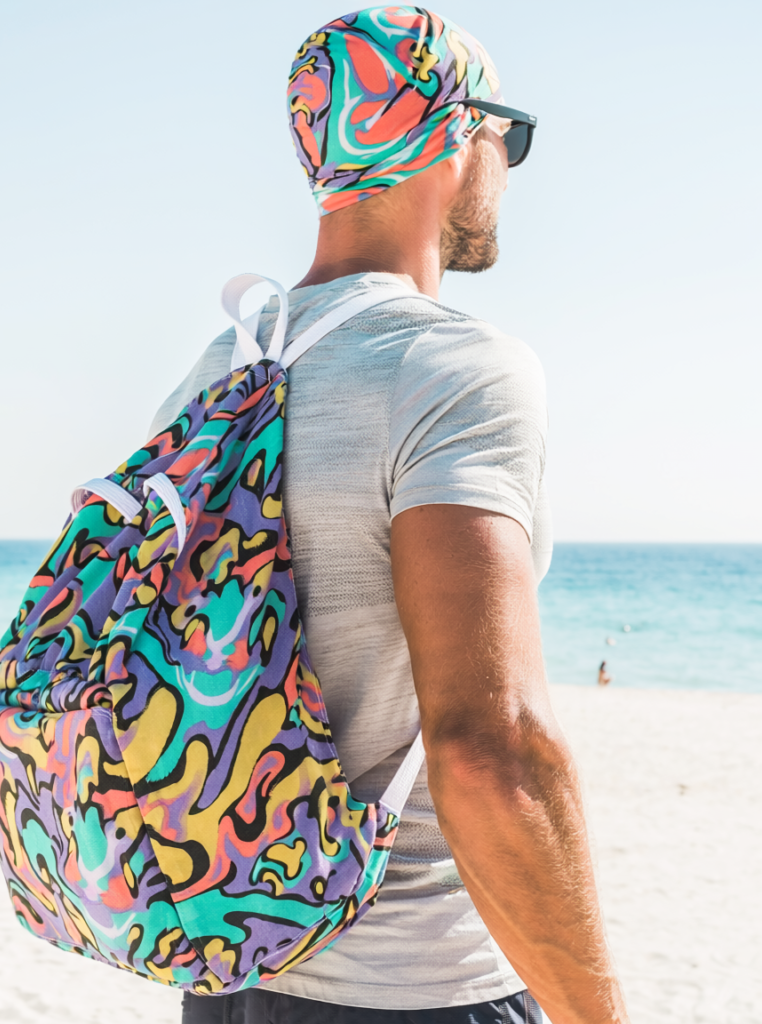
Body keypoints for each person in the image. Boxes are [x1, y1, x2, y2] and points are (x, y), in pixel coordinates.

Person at [154, 7, 630, 1023]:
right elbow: (491, 747)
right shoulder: (453, 369)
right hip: (416, 987)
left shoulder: (214, 375)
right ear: (454, 137)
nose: (509, 171)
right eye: (508, 136)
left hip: (234, 966)